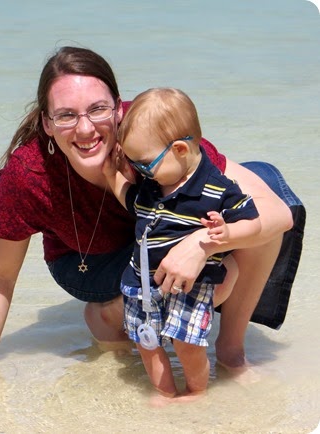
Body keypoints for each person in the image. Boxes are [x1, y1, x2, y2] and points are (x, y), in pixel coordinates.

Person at [0, 46, 304, 388]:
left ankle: (231, 352)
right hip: (87, 263)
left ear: (119, 108)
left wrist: (201, 244)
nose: (84, 129)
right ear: (47, 123)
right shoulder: (28, 171)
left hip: (156, 236)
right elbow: (0, 274)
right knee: (219, 276)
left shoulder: (147, 128)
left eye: (97, 109)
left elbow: (277, 214)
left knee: (261, 183)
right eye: (65, 115)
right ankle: (109, 316)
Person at [103, 87, 261, 402]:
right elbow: (129, 201)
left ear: (179, 150)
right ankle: (164, 392)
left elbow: (254, 224)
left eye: (145, 164)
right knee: (146, 343)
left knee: (188, 345)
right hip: (141, 283)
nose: (140, 172)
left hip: (192, 285)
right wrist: (111, 173)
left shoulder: (217, 188)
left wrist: (225, 234)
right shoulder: (152, 186)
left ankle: (196, 391)